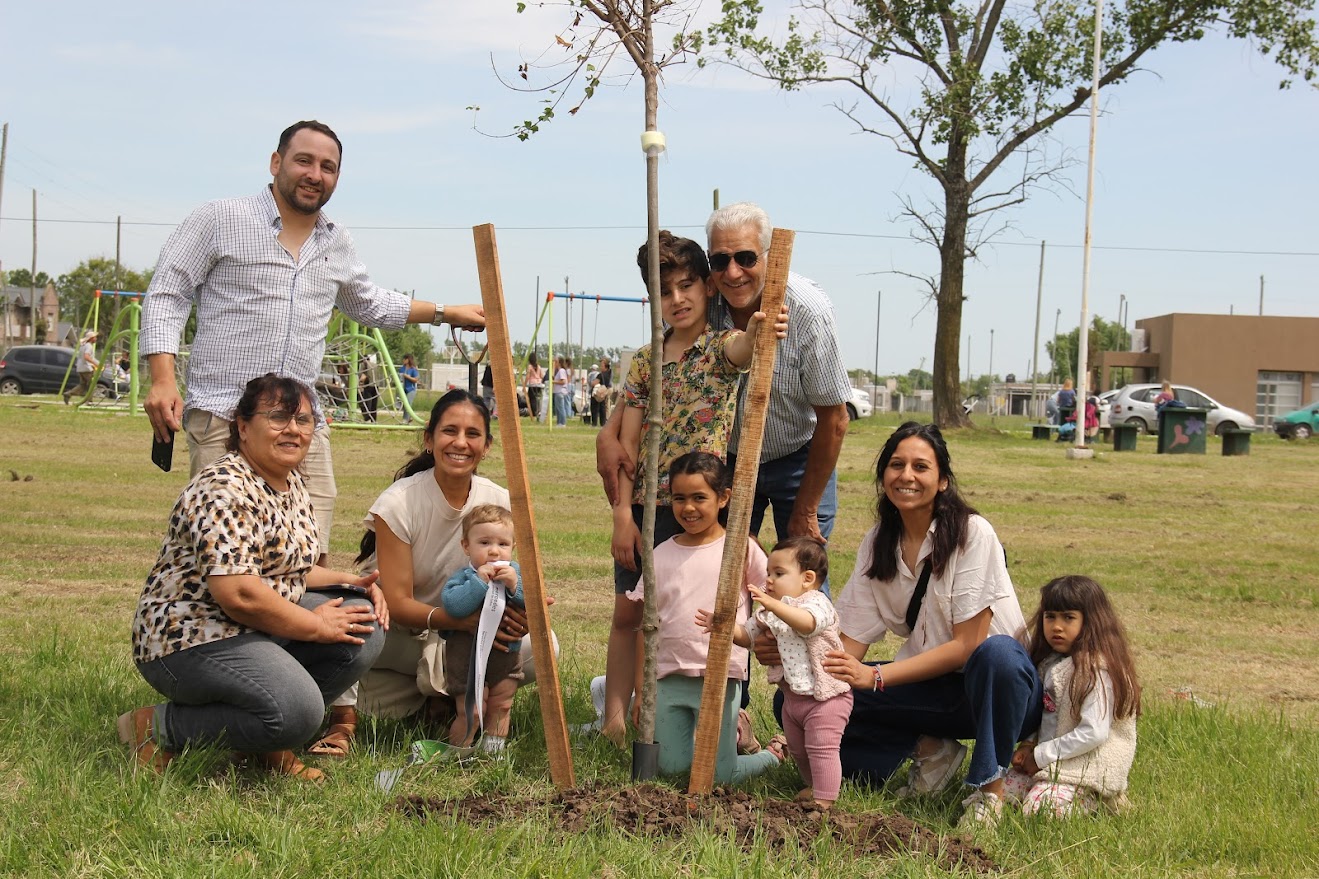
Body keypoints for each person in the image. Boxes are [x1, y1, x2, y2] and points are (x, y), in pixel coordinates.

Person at [140, 119, 485, 561]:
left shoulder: (336, 241)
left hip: (304, 425)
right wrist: (163, 378)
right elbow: (168, 292)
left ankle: (300, 628)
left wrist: (444, 313)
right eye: (304, 160)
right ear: (276, 162)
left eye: (328, 167)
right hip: (225, 415)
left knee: (309, 555)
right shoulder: (220, 218)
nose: (314, 174)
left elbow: (369, 303)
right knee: (228, 556)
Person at [118, 374, 388, 780]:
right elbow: (239, 593)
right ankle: (157, 727)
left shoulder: (289, 481)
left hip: (247, 627)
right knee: (301, 712)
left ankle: (266, 737)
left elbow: (288, 568)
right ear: (242, 427)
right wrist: (315, 625)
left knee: (363, 621)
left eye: (304, 420)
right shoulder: (224, 488)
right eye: (278, 417)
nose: (293, 429)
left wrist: (355, 584)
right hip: (189, 637)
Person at [602, 230, 786, 748]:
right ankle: (617, 717)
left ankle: (696, 716)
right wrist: (623, 514)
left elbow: (747, 348)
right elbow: (626, 443)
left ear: (707, 288)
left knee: (694, 614)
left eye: (687, 286)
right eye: (664, 291)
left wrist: (760, 328)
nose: (677, 299)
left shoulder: (720, 349)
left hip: (700, 509)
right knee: (632, 612)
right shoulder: (645, 361)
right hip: (647, 510)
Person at [598, 202, 851, 570]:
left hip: (797, 458)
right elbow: (663, 368)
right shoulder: (707, 297)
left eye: (746, 258)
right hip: (726, 462)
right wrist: (609, 431)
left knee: (801, 572)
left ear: (767, 255)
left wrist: (806, 507)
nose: (733, 273)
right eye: (720, 261)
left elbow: (835, 418)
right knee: (722, 579)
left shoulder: (807, 310)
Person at [822, 422, 1040, 831]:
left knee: (997, 654)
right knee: (810, 703)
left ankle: (989, 792)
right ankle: (931, 749)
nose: (906, 475)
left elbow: (967, 646)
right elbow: (847, 645)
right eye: (896, 464)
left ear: (942, 481)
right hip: (935, 691)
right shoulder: (878, 541)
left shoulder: (973, 533)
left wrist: (876, 676)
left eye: (921, 467)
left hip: (999, 692)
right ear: (883, 475)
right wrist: (808, 673)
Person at [310, 390, 543, 754]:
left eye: (473, 434)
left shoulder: (499, 500)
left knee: (545, 647)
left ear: (487, 446)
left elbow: (522, 583)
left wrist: (522, 616)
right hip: (402, 635)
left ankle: (442, 698)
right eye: (450, 431)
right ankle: (349, 722)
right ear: (429, 439)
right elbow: (398, 603)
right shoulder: (399, 501)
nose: (460, 443)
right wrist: (459, 622)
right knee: (352, 625)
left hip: (466, 639)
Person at [630, 451, 785, 782]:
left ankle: (769, 756)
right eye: (679, 498)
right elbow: (646, 625)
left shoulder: (740, 549)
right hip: (667, 675)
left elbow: (771, 598)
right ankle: (726, 742)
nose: (688, 508)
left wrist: (756, 635)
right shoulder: (660, 554)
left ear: (724, 498)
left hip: (719, 674)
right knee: (671, 769)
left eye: (699, 497)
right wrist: (641, 690)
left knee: (717, 774)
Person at [696, 536, 851, 809]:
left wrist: (773, 604)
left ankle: (825, 799)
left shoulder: (816, 603)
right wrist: (723, 625)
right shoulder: (770, 612)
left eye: (778, 573)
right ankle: (812, 785)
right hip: (793, 700)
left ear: (807, 578)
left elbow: (807, 625)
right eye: (768, 572)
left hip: (826, 698)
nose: (769, 579)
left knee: (822, 749)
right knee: (800, 751)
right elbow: (748, 636)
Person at [1003, 575, 1140, 817]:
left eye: (1068, 618)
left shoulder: (1097, 670)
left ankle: (1102, 801)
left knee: (1039, 810)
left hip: (1085, 769)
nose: (1057, 626)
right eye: (1050, 616)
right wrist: (1029, 744)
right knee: (999, 794)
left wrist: (1041, 755)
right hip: (1049, 762)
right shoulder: (1049, 665)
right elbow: (1044, 713)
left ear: (1091, 622)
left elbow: (1094, 732)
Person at [441, 505, 525, 752]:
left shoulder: (516, 575)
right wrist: (479, 582)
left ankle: (494, 752)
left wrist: (515, 587)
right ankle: (460, 752)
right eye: (484, 542)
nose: (494, 551)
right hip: (467, 659)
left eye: (503, 544)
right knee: (473, 710)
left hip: (506, 657)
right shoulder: (465, 577)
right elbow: (454, 607)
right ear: (466, 546)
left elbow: (532, 604)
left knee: (502, 705)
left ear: (513, 547)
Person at [65, 330, 99, 404]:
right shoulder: (89, 346)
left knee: (82, 385)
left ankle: (69, 394)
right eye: (95, 337)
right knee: (91, 385)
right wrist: (95, 364)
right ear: (91, 338)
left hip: (80, 368)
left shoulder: (83, 346)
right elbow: (86, 356)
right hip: (87, 368)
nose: (96, 339)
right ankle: (89, 401)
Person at [590, 357, 612, 427]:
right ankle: (603, 423)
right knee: (604, 407)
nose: (600, 367)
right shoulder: (610, 373)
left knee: (594, 407)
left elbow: (594, 383)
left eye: (601, 365)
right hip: (606, 391)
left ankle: (594, 423)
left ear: (605, 366)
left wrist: (591, 383)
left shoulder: (601, 375)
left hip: (600, 392)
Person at [524, 353, 546, 421]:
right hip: (539, 384)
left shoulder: (530, 367)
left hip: (532, 384)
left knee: (532, 399)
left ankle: (534, 412)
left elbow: (527, 376)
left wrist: (524, 385)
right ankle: (538, 411)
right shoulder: (539, 367)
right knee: (538, 398)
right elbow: (542, 376)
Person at [399, 354, 420, 423]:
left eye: (404, 359)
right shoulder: (402, 369)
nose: (403, 360)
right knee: (404, 404)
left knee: (407, 403)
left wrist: (407, 376)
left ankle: (405, 419)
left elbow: (416, 379)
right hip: (403, 389)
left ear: (408, 360)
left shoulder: (413, 369)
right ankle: (409, 418)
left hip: (411, 389)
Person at [552, 356, 572, 426]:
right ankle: (559, 422)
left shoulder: (561, 371)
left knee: (561, 408)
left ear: (559, 363)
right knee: (558, 409)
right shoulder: (559, 371)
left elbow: (563, 381)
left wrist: (553, 382)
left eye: (556, 362)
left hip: (560, 392)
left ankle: (562, 423)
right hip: (557, 392)